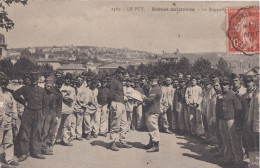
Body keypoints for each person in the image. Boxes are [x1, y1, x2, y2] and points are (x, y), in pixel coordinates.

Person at [13, 72, 47, 161]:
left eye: (36, 78)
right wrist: (24, 102)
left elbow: (45, 103)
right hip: (28, 111)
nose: (34, 80)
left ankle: (36, 152)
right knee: (25, 132)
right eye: (33, 78)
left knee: (38, 131)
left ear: (38, 79)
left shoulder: (42, 90)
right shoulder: (26, 88)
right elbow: (15, 94)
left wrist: (43, 114)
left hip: (39, 112)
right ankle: (24, 153)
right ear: (30, 79)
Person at [217, 78, 243, 167]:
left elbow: (238, 109)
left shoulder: (233, 95)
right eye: (222, 85)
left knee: (234, 140)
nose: (223, 86)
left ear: (229, 85)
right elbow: (218, 110)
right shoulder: (219, 96)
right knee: (226, 140)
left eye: (225, 84)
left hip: (231, 120)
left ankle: (238, 161)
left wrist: (238, 123)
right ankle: (228, 160)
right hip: (222, 120)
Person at [108, 66, 132, 151]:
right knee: (115, 124)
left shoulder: (120, 81)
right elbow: (110, 94)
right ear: (118, 73)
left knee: (124, 124)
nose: (124, 75)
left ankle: (123, 141)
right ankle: (112, 143)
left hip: (121, 104)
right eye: (122, 74)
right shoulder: (114, 81)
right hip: (116, 104)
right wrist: (114, 102)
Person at [0, 74, 19, 166]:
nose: (4, 85)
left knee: (9, 141)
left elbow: (14, 106)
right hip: (0, 121)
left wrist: (14, 118)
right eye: (2, 83)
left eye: (5, 83)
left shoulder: (9, 94)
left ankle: (9, 158)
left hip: (8, 120)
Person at [143, 75, 162, 152]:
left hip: (153, 110)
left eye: (151, 81)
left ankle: (156, 146)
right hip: (151, 110)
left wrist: (143, 98)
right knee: (150, 127)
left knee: (153, 128)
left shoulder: (155, 89)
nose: (149, 82)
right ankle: (151, 143)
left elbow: (150, 100)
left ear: (155, 81)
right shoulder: (154, 88)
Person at [58, 72, 76, 146]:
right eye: (66, 79)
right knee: (59, 124)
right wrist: (66, 97)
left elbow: (71, 99)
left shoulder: (72, 89)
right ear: (64, 79)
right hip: (60, 108)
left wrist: (64, 97)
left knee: (67, 125)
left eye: (69, 79)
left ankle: (65, 140)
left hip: (68, 109)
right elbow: (59, 97)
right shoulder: (60, 87)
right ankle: (58, 139)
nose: (68, 80)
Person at [41, 76, 57, 155]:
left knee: (48, 131)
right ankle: (40, 148)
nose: (48, 88)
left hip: (49, 115)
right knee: (42, 131)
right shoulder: (41, 93)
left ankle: (45, 147)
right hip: (41, 113)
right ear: (45, 85)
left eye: (50, 86)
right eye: (47, 86)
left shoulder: (53, 95)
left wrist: (52, 117)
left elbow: (53, 107)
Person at [72, 75, 85, 141]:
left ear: (82, 81)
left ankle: (79, 134)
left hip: (80, 106)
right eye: (78, 80)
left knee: (79, 122)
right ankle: (73, 135)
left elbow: (85, 100)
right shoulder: (74, 88)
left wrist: (83, 107)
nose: (79, 81)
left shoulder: (84, 89)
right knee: (73, 122)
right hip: (73, 107)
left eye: (80, 80)